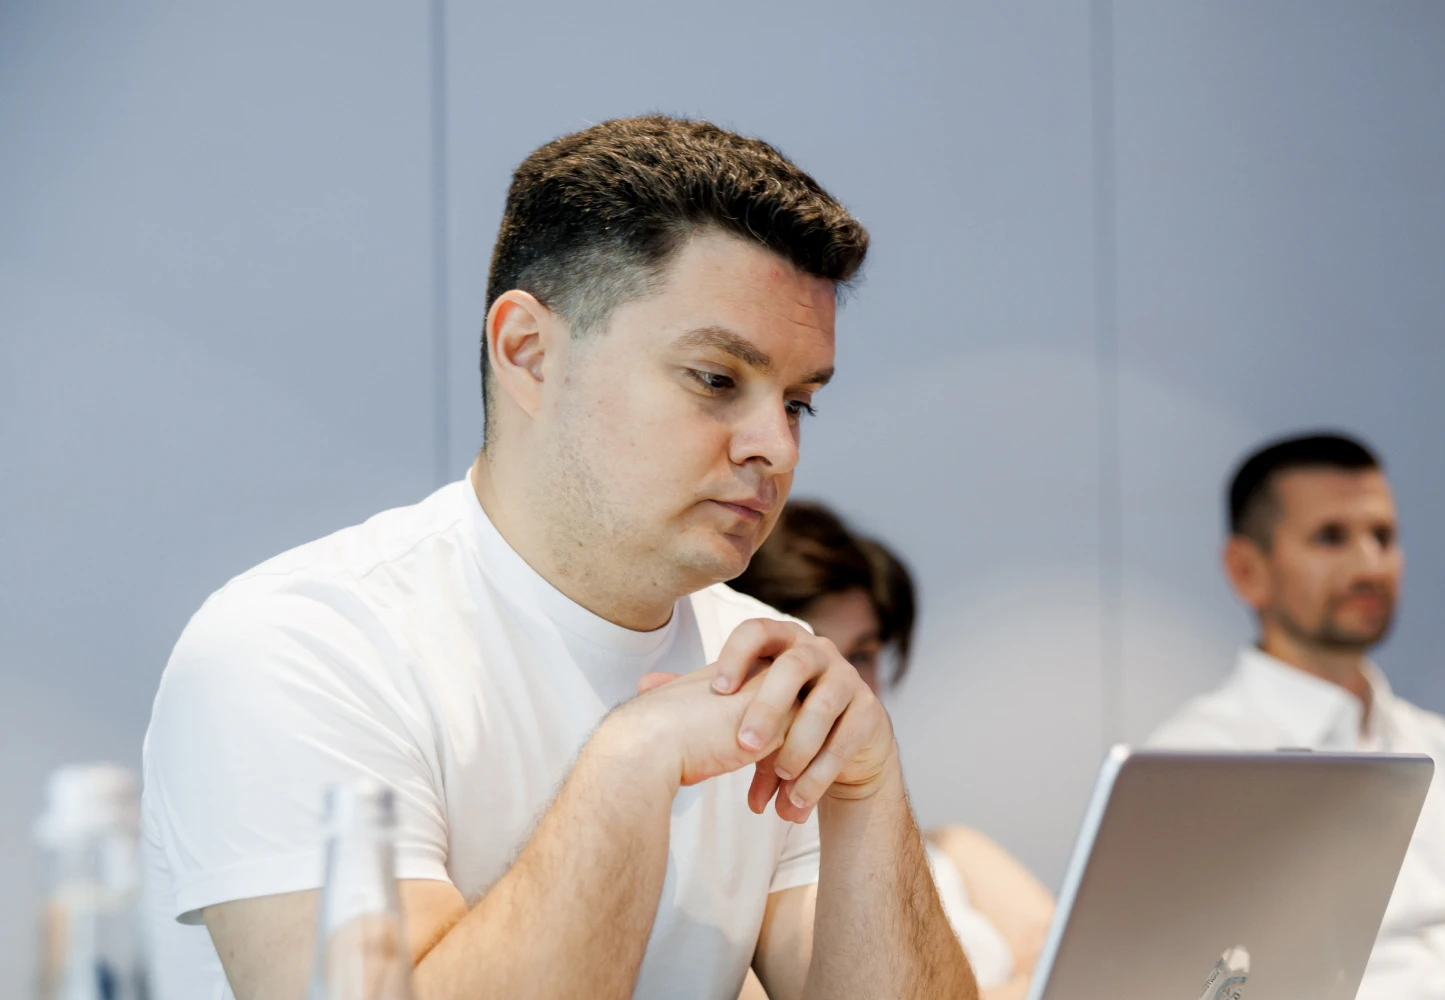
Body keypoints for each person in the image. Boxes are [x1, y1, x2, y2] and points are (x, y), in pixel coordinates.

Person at [138, 117, 976, 1000]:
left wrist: (869, 788)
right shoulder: (301, 646)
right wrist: (628, 764)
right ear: (529, 355)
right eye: (717, 379)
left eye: (799, 402)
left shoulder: (765, 661)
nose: (775, 447)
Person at [1146, 432, 1445, 1000]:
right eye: (1331, 538)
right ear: (1247, 570)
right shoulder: (1195, 762)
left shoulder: (1438, 745)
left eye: (1383, 536)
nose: (1370, 564)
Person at [726, 501, 1054, 1000]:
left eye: (861, 654)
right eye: (804, 659)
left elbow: (1079, 964)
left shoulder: (956, 849)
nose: (842, 686)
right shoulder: (731, 883)